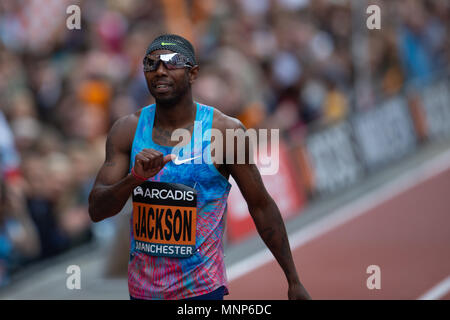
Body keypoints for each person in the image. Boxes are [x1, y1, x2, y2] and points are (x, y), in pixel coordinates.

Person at [88, 34, 311, 300]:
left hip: (200, 290)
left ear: (193, 73)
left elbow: (261, 205)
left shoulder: (225, 131)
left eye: (171, 63)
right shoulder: (127, 130)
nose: (160, 71)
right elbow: (97, 210)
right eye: (151, 64)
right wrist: (134, 178)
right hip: (142, 292)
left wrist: (293, 279)